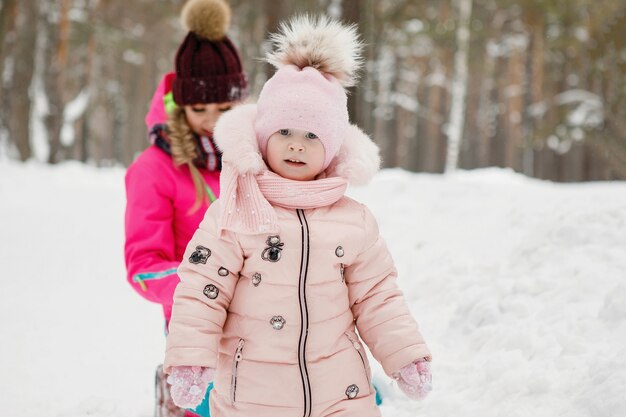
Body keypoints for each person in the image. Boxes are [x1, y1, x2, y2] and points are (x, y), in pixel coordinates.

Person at [162, 15, 432, 417]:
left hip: (341, 394)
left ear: (333, 147)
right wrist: (190, 358)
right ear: (262, 136)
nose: (296, 146)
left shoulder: (353, 220)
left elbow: (377, 296)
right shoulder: (237, 208)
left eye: (312, 136)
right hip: (252, 396)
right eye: (284, 132)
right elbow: (203, 288)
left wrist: (405, 355)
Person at [123, 0, 247, 416]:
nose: (213, 120)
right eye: (200, 109)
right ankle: (174, 397)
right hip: (195, 318)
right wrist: (200, 284)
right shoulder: (154, 170)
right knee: (206, 404)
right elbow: (143, 265)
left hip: (259, 308)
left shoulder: (254, 158)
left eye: (225, 109)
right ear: (180, 105)